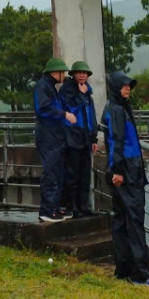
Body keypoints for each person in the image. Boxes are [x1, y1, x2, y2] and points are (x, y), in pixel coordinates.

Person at [102, 71, 149, 286]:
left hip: (126, 169)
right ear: (116, 87)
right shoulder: (117, 110)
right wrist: (117, 170)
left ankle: (124, 269)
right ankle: (141, 273)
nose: (128, 88)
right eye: (125, 85)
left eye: (130, 85)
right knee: (134, 220)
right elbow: (116, 142)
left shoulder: (118, 107)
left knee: (121, 220)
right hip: (126, 172)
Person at [33, 57, 75, 224]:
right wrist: (64, 114)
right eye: (62, 72)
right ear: (54, 73)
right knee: (51, 172)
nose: (64, 75)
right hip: (47, 135)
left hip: (56, 135)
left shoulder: (51, 87)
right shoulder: (42, 87)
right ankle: (47, 210)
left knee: (58, 172)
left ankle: (55, 207)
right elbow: (43, 109)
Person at [61, 61, 98, 218]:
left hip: (85, 139)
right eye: (79, 72)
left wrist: (94, 137)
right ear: (73, 74)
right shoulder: (67, 91)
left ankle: (84, 206)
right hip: (72, 139)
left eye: (85, 73)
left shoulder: (88, 93)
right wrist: (81, 95)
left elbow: (92, 117)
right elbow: (70, 110)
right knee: (73, 175)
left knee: (85, 175)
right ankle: (72, 207)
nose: (83, 75)